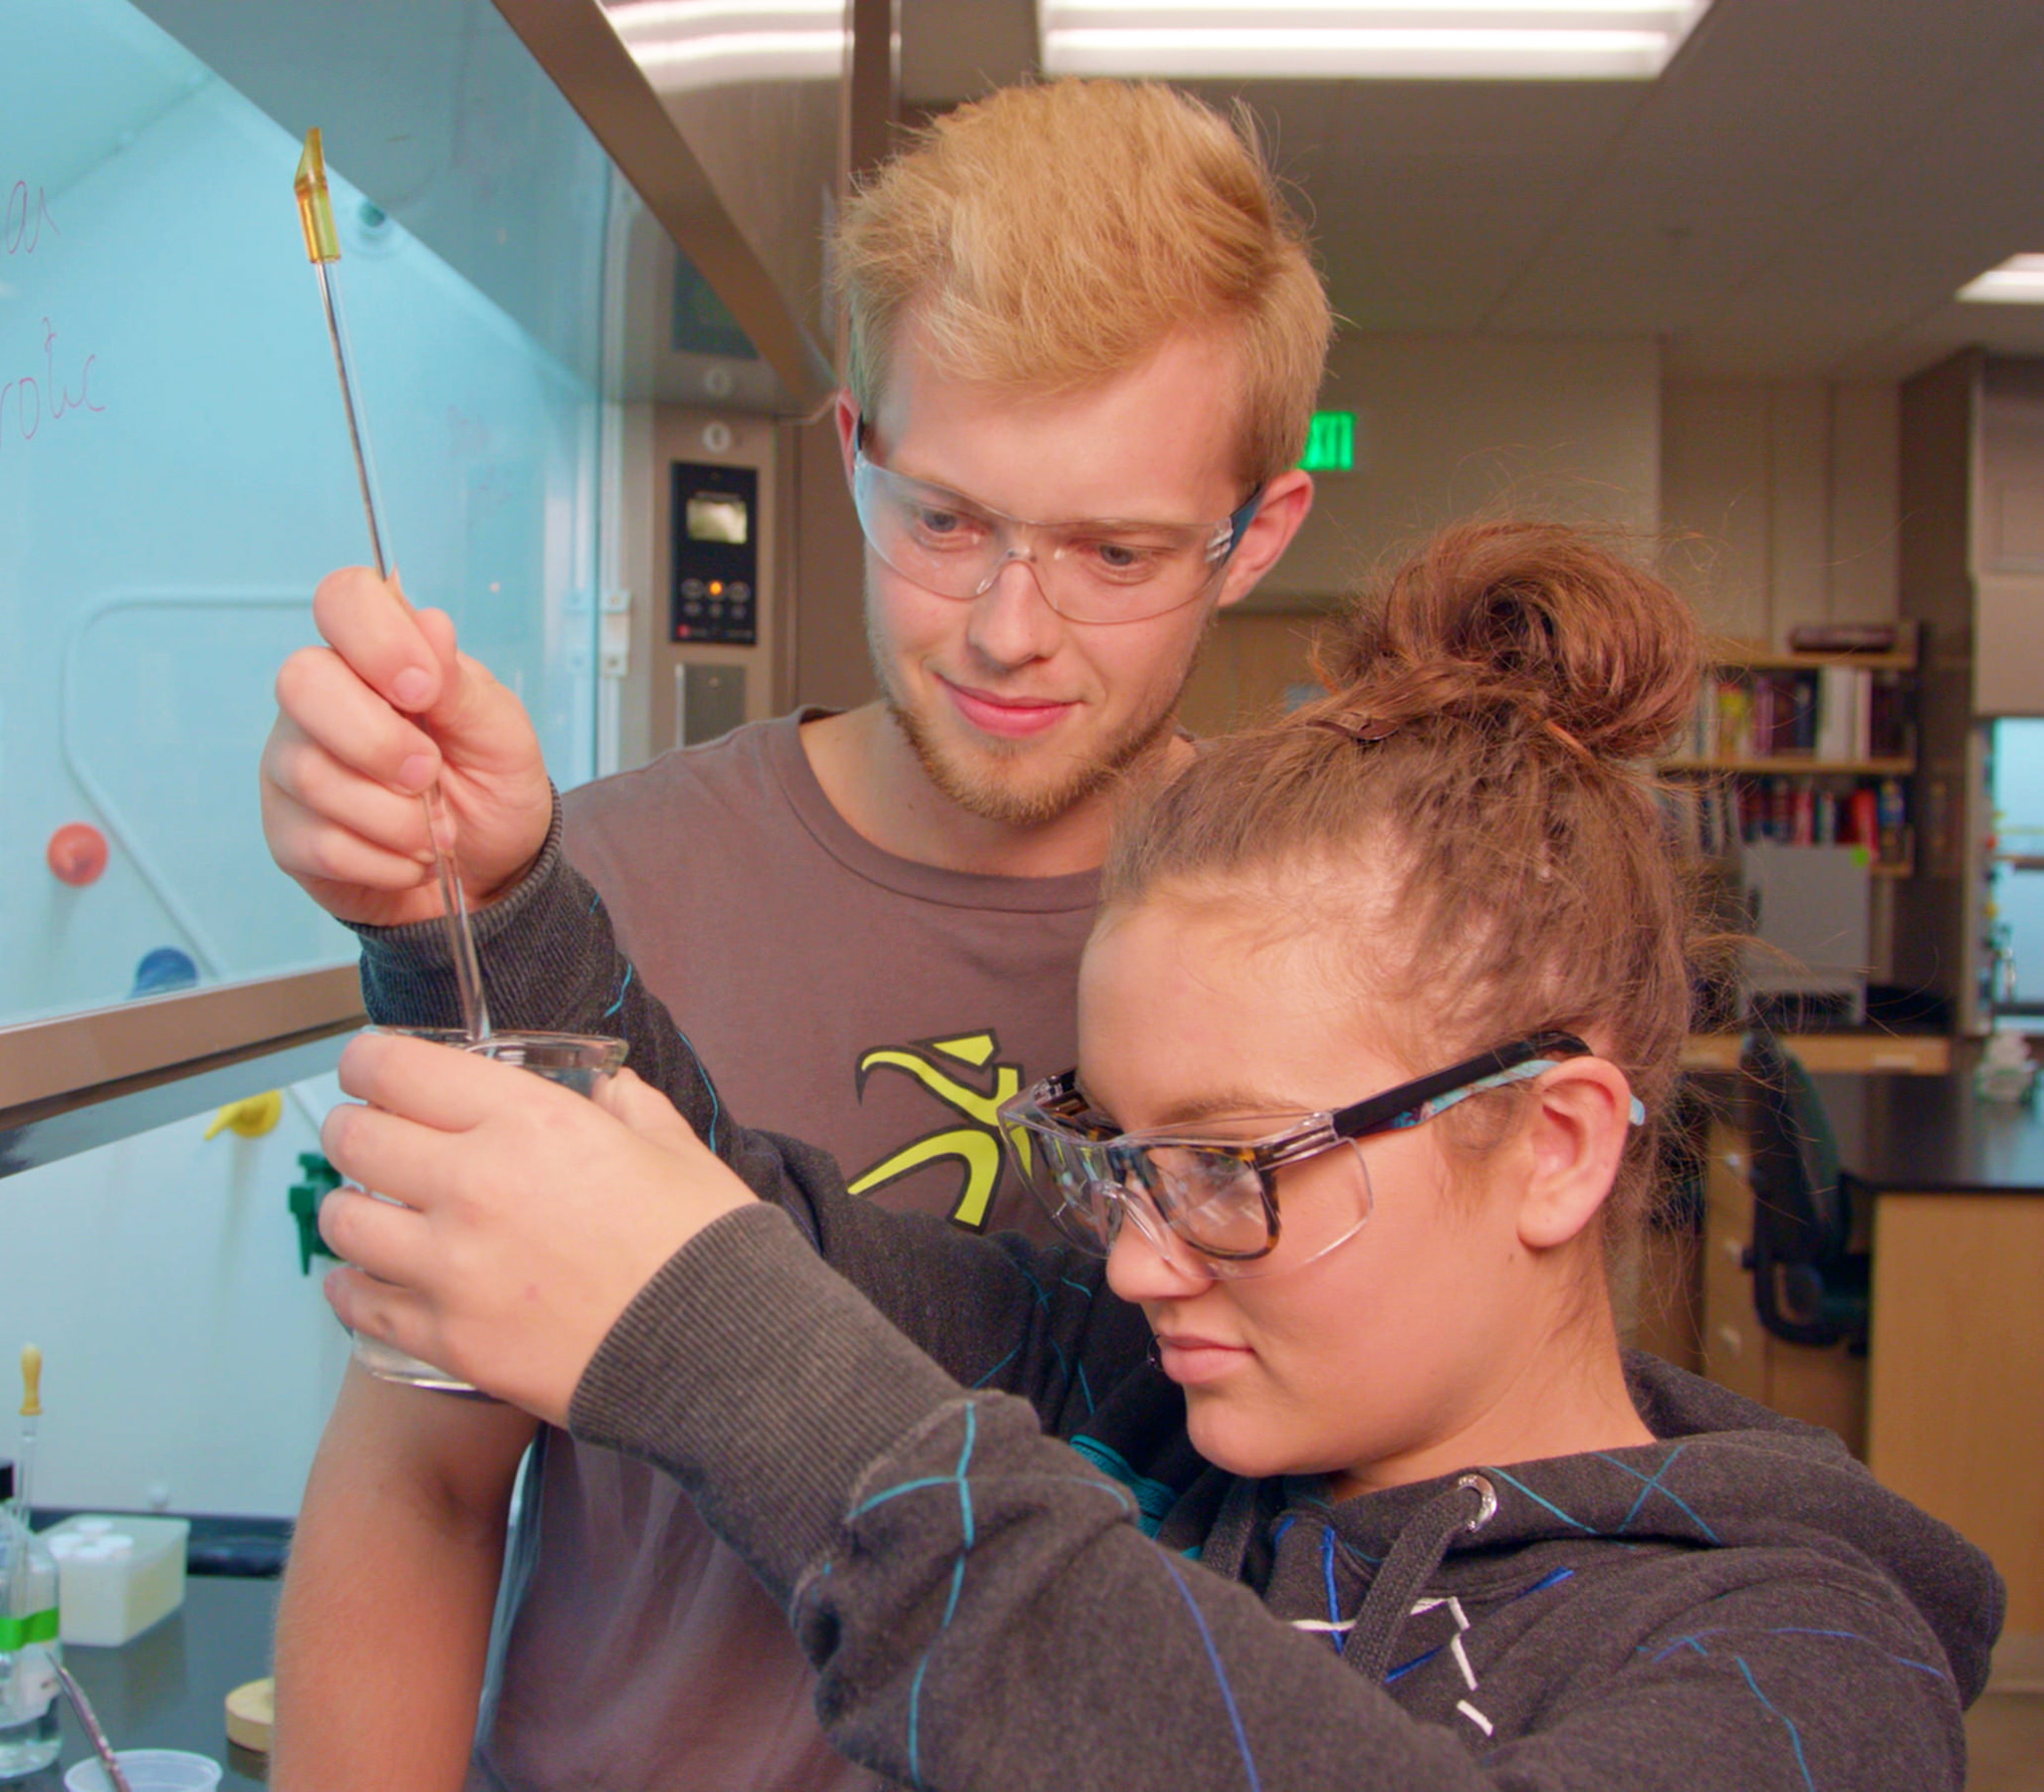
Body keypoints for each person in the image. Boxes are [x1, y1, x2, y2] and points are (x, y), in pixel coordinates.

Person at [310, 520, 2002, 1790]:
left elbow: (758, 1335)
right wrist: (488, 897)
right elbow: (744, 1217)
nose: (1136, 1257)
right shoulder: (1152, 1400)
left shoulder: (1807, 1667)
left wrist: (743, 1361)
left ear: (1555, 1148)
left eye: (1226, 1167)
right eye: (1124, 1159)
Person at [257, 80, 1325, 1791]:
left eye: (1113, 551)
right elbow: (418, 1484)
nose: (1005, 632)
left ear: (1254, 532)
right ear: (850, 448)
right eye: (946, 520)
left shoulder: (1322, 957)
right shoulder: (585, 895)